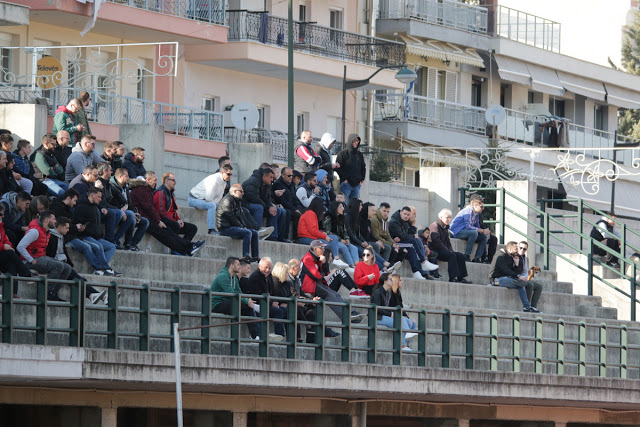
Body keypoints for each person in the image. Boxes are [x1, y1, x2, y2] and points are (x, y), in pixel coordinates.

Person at [130, 172, 204, 257]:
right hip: (145, 219)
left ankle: (187, 248)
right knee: (166, 233)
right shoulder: (143, 189)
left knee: (171, 232)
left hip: (150, 218)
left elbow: (172, 209)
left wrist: (177, 219)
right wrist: (158, 221)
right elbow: (151, 208)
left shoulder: (150, 190)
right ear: (148, 180)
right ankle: (187, 248)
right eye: (154, 180)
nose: (156, 182)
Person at [45, 216, 107, 304]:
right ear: (59, 227)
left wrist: (69, 263)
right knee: (77, 281)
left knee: (80, 280)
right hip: (57, 266)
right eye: (66, 228)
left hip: (63, 265)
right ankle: (99, 296)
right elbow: (50, 254)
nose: (68, 230)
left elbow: (63, 252)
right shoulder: (51, 236)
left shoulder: (61, 236)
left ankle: (97, 296)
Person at [300, 240, 365, 322]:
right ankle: (345, 317)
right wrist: (323, 263)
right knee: (330, 295)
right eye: (322, 248)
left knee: (336, 294)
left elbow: (324, 273)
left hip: (317, 284)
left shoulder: (317, 258)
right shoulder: (308, 259)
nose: (324, 249)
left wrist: (324, 263)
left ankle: (351, 313)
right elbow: (318, 276)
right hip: (308, 286)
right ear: (315, 249)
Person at [17, 210, 73, 301]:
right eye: (54, 219)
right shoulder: (35, 231)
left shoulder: (47, 231)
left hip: (40, 258)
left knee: (67, 268)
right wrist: (31, 259)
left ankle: (53, 293)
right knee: (58, 266)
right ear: (47, 220)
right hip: (29, 261)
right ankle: (45, 293)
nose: (55, 221)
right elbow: (20, 247)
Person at [71, 187, 121, 276]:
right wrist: (82, 227)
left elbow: (100, 206)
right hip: (85, 236)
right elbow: (76, 222)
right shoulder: (81, 206)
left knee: (112, 247)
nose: (100, 199)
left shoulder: (95, 205)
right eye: (99, 197)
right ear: (92, 195)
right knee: (99, 246)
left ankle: (100, 268)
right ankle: (105, 268)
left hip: (97, 237)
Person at [210, 257, 260, 340]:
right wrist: (247, 301)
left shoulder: (234, 278)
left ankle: (254, 336)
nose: (240, 266)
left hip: (227, 303)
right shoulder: (223, 277)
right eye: (238, 265)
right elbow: (232, 293)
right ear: (232, 266)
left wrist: (247, 301)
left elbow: (239, 292)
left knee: (247, 308)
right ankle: (236, 338)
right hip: (216, 305)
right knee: (238, 304)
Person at [216, 183, 265, 262]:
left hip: (233, 227)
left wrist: (244, 226)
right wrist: (242, 227)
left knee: (255, 233)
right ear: (235, 191)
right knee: (247, 232)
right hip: (225, 228)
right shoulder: (227, 200)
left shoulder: (237, 200)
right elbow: (231, 217)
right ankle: (246, 256)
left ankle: (255, 257)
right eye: (241, 191)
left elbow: (240, 216)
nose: (243, 193)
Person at [489, 241, 541, 313]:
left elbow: (513, 272)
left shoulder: (512, 257)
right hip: (496, 280)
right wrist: (518, 276)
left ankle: (526, 307)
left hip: (507, 279)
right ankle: (527, 306)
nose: (518, 251)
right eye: (516, 249)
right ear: (510, 249)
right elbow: (505, 270)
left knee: (520, 283)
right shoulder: (500, 256)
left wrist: (516, 265)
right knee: (519, 282)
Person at [371, 273, 418, 352]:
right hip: (377, 317)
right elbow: (377, 308)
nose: (392, 281)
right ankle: (403, 345)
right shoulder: (378, 292)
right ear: (385, 281)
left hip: (384, 316)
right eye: (390, 279)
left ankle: (406, 342)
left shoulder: (386, 292)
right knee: (399, 320)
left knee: (405, 319)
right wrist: (390, 314)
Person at [242, 257, 286, 339]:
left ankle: (290, 337)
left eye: (269, 268)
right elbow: (257, 296)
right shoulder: (255, 277)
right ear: (259, 266)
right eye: (266, 267)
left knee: (285, 311)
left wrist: (273, 302)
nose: (268, 270)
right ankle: (280, 335)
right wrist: (271, 303)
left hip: (266, 304)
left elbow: (271, 292)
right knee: (278, 312)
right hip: (257, 306)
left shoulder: (269, 276)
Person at [389, 206, 437, 280]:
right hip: (394, 243)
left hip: (402, 242)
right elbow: (404, 235)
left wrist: (413, 225)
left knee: (412, 248)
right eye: (405, 214)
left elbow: (407, 234)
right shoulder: (394, 221)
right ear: (401, 212)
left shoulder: (405, 221)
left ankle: (416, 272)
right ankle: (423, 262)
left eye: (408, 215)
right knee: (414, 242)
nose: (406, 216)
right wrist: (412, 235)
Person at [242, 167, 287, 242]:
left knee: (277, 210)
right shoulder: (253, 181)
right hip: (245, 204)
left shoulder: (268, 184)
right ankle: (258, 233)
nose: (272, 179)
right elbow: (253, 198)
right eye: (270, 177)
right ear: (264, 177)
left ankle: (273, 236)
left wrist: (271, 206)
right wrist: (267, 207)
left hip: (258, 203)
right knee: (259, 208)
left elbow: (267, 198)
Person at [297, 197, 346, 268]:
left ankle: (336, 258)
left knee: (334, 237)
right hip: (306, 238)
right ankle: (328, 263)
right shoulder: (310, 213)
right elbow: (313, 230)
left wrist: (323, 234)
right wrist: (325, 237)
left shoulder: (312, 213)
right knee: (328, 245)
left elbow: (313, 230)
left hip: (311, 236)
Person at [97, 162, 136, 248]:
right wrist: (120, 210)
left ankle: (116, 238)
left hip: (111, 209)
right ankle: (109, 239)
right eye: (110, 170)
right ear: (104, 171)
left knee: (131, 215)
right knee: (116, 213)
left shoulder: (109, 185)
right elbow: (102, 203)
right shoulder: (99, 183)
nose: (112, 173)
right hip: (101, 209)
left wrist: (123, 208)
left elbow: (123, 200)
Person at [109, 168, 149, 251]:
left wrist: (136, 213)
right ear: (120, 177)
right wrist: (123, 210)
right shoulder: (112, 186)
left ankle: (133, 244)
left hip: (127, 212)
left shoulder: (126, 188)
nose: (129, 177)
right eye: (127, 176)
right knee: (131, 216)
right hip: (116, 213)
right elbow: (111, 203)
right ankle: (117, 239)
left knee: (145, 222)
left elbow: (130, 205)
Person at [188, 164, 233, 234]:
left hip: (205, 200)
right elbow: (209, 198)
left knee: (222, 207)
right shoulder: (214, 180)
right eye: (228, 174)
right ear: (222, 173)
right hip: (193, 199)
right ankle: (211, 230)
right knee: (211, 205)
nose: (230, 176)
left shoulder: (223, 182)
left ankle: (224, 229)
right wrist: (211, 202)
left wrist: (212, 202)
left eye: (231, 175)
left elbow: (219, 197)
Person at [428, 209, 471, 283]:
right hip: (435, 250)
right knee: (451, 255)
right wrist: (447, 250)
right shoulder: (434, 226)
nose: (449, 219)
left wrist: (450, 250)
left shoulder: (445, 227)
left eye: (450, 217)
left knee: (460, 255)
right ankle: (452, 277)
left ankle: (461, 277)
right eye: (447, 217)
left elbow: (448, 242)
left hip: (443, 250)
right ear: (441, 217)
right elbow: (436, 242)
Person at [0, 203, 34, 298]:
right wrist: (3, 247)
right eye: (1, 214)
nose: (3, 216)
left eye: (3, 214)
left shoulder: (1, 226)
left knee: (11, 262)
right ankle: (26, 274)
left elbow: (6, 239)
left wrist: (8, 246)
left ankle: (13, 292)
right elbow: (3, 244)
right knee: (10, 254)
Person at [154, 172, 198, 242]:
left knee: (193, 228)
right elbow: (161, 212)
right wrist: (174, 221)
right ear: (166, 181)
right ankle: (179, 249)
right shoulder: (160, 192)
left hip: (171, 221)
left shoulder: (171, 193)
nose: (175, 182)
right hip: (162, 220)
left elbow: (173, 210)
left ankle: (184, 247)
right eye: (173, 180)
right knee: (175, 225)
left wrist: (178, 219)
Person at [450, 197, 490, 263]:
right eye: (481, 207)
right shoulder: (468, 211)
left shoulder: (476, 213)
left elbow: (477, 226)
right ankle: (467, 255)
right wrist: (482, 230)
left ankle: (477, 258)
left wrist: (484, 232)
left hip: (466, 232)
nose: (483, 209)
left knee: (484, 237)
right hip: (456, 232)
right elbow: (468, 226)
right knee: (474, 233)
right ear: (475, 205)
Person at [322, 201, 358, 269]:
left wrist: (347, 239)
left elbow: (345, 231)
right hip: (332, 240)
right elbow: (328, 231)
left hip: (341, 240)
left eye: (343, 207)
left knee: (354, 248)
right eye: (340, 207)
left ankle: (357, 266)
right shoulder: (328, 217)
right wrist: (340, 239)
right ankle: (352, 266)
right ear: (335, 208)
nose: (343, 209)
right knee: (343, 247)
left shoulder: (342, 218)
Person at [272, 166, 304, 241]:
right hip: (283, 206)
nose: (291, 177)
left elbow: (294, 198)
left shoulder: (291, 185)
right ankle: (287, 237)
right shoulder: (278, 184)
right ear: (283, 175)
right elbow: (282, 200)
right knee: (289, 213)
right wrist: (294, 209)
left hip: (291, 206)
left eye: (292, 176)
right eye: (289, 175)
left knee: (302, 213)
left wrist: (297, 208)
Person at [33, 133, 68, 197]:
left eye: (55, 144)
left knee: (70, 190)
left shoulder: (51, 153)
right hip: (44, 180)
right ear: (46, 144)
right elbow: (47, 171)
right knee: (61, 193)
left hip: (54, 180)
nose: (55, 146)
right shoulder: (39, 154)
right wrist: (55, 168)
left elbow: (61, 169)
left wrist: (53, 168)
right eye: (53, 144)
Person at [335, 133, 366, 200]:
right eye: (354, 141)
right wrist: (345, 179)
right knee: (343, 204)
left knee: (355, 205)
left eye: (357, 141)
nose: (356, 143)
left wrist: (362, 179)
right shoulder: (342, 153)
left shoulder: (359, 154)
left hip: (357, 185)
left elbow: (363, 167)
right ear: (350, 141)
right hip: (346, 184)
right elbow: (338, 168)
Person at [514, 241, 543, 312]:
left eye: (524, 249)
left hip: (524, 278)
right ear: (517, 247)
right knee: (530, 285)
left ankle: (533, 307)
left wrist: (527, 276)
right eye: (520, 248)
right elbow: (512, 270)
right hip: (515, 278)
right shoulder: (514, 256)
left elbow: (525, 271)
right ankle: (527, 306)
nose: (522, 250)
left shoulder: (525, 259)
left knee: (539, 286)